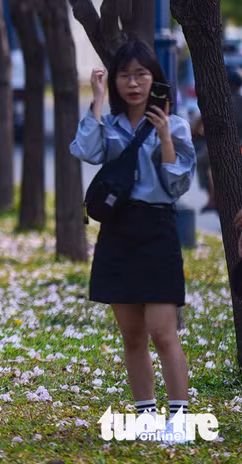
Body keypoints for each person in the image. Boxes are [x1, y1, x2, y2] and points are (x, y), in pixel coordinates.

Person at [70, 38, 196, 438]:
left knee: (163, 330)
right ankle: (145, 416)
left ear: (154, 78)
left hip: (157, 230)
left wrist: (165, 140)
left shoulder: (174, 125)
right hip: (118, 232)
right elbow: (86, 151)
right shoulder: (109, 125)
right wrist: (97, 98)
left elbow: (178, 188)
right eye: (125, 75)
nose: (134, 83)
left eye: (141, 74)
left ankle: (179, 420)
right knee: (132, 335)